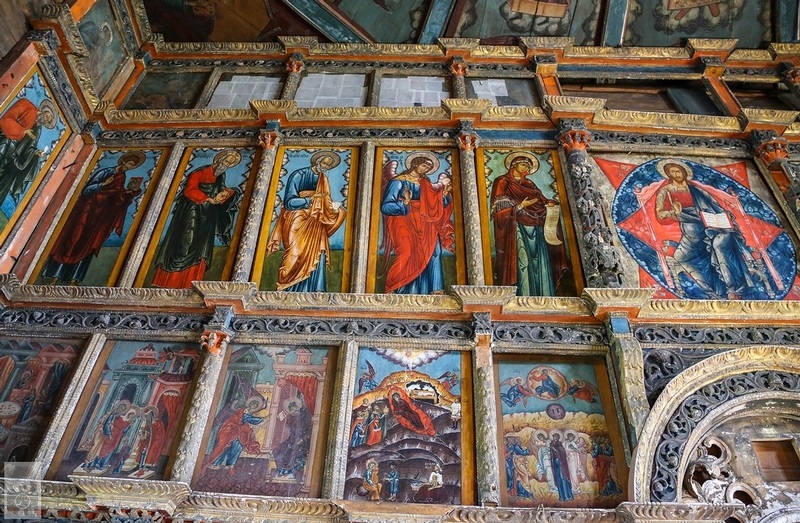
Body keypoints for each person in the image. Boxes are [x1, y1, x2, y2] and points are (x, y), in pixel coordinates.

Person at [654, 160, 756, 300]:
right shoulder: (666, 191)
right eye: (672, 172)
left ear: (684, 173)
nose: (676, 174)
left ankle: (733, 288)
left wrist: (725, 215)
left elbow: (715, 206)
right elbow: (660, 214)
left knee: (720, 245)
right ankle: (714, 291)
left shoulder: (697, 190)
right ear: (668, 175)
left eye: (678, 171)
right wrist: (673, 212)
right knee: (681, 257)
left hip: (713, 227)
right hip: (692, 235)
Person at [42, 151, 145, 285]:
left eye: (132, 166)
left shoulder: (122, 178)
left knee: (88, 243)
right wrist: (103, 185)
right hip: (86, 211)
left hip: (98, 219)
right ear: (123, 161)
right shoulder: (105, 172)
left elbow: (116, 198)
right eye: (129, 163)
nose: (129, 167)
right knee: (72, 239)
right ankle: (55, 276)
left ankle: (74, 279)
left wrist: (128, 193)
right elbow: (87, 190)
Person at [152, 149, 242, 288]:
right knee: (185, 241)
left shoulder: (220, 175)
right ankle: (168, 280)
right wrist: (207, 199)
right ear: (219, 159)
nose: (226, 165)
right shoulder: (199, 172)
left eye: (229, 164)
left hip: (207, 214)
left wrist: (228, 193)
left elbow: (219, 190)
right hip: (191, 211)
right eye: (225, 161)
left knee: (201, 245)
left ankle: (191, 281)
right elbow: (190, 190)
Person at [266, 151, 346, 291]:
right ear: (317, 162)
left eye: (328, 165)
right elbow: (289, 201)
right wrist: (309, 200)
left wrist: (334, 209)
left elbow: (326, 201)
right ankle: (286, 287)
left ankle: (314, 289)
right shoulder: (298, 175)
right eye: (324, 163)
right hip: (297, 215)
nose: (325, 167)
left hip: (316, 218)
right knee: (295, 252)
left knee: (318, 250)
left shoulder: (323, 179)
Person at [491, 153, 565, 296]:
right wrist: (520, 206)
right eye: (523, 164)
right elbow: (499, 208)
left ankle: (543, 294)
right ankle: (522, 294)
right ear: (514, 165)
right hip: (515, 227)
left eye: (528, 166)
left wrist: (549, 204)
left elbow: (541, 199)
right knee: (522, 260)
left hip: (535, 227)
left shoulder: (529, 184)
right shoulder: (502, 182)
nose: (526, 168)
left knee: (540, 261)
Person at [380, 152, 454, 294]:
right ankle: (396, 287)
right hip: (404, 220)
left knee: (434, 251)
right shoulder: (398, 181)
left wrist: (444, 195)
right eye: (424, 165)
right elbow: (386, 206)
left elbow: (434, 204)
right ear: (415, 163)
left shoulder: (425, 183)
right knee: (407, 251)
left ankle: (435, 289)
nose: (426, 169)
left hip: (425, 222)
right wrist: (405, 203)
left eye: (429, 167)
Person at [0, 97, 57, 205]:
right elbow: (6, 120)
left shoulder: (38, 129)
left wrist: (35, 153)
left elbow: (30, 146)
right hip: (4, 143)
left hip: (11, 155)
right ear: (44, 110)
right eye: (46, 116)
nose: (45, 120)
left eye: (47, 121)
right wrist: (23, 131)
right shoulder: (26, 105)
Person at [207, 398, 265, 470]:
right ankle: (215, 463)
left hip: (237, 432)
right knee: (225, 446)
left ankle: (230, 464)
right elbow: (247, 418)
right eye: (254, 404)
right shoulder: (242, 411)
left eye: (256, 406)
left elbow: (245, 424)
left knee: (238, 446)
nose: (254, 406)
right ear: (250, 404)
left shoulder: (248, 413)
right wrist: (262, 420)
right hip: (229, 430)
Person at [82, 402, 134, 472]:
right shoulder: (113, 416)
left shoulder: (120, 418)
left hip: (114, 436)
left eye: (123, 409)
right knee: (96, 449)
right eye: (121, 409)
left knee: (102, 450)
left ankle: (95, 464)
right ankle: (89, 464)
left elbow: (123, 431)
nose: (121, 411)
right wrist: (109, 434)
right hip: (104, 435)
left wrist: (129, 426)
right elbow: (107, 424)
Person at [273, 397, 312, 477]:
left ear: (298, 407)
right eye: (292, 411)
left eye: (295, 409)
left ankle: (291, 472)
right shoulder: (293, 419)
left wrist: (302, 440)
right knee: (277, 450)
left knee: (293, 453)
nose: (294, 412)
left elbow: (309, 431)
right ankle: (282, 471)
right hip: (292, 440)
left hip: (304, 441)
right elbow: (290, 430)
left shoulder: (305, 416)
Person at [549, 432, 573, 501]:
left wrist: (556, 450)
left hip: (561, 465)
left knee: (563, 480)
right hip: (556, 465)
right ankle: (562, 497)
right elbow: (552, 455)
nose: (554, 438)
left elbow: (562, 452)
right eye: (554, 437)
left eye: (556, 437)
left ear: (558, 438)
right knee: (559, 480)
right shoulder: (552, 444)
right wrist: (553, 450)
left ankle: (567, 496)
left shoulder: (559, 444)